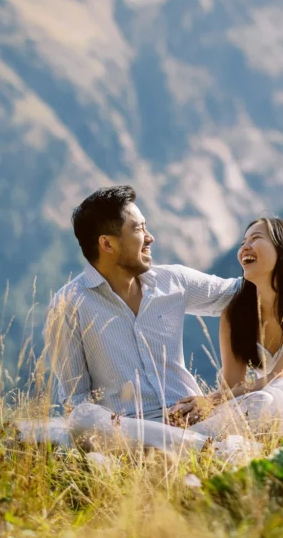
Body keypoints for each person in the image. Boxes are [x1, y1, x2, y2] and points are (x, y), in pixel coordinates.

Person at [40, 216, 283, 460]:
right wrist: (213, 404)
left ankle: (134, 442)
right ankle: (193, 448)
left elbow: (281, 378)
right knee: (86, 420)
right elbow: (232, 387)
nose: (245, 247)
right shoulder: (236, 312)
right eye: (243, 242)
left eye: (256, 239)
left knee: (271, 396)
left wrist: (212, 401)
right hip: (264, 409)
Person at [18, 185, 241, 444]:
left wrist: (217, 397)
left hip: (195, 418)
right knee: (82, 419)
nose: (150, 237)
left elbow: (244, 295)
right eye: (138, 229)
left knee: (266, 399)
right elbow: (75, 401)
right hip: (131, 434)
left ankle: (196, 443)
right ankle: (201, 447)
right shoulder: (68, 305)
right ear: (107, 244)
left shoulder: (174, 281)